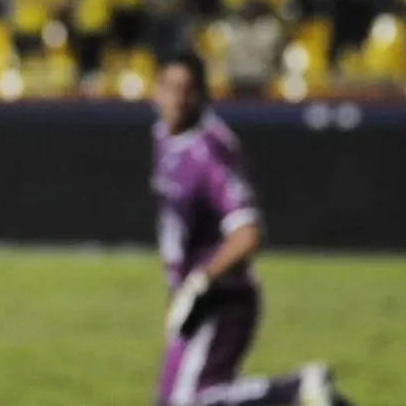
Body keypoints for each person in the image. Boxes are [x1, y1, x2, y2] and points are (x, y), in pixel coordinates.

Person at [149, 51, 354, 406]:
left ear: (203, 94)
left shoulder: (209, 151)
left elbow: (246, 234)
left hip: (220, 299)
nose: (177, 98)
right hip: (191, 301)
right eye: (170, 87)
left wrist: (199, 284)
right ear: (155, 89)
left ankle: (295, 389)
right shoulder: (163, 136)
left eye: (187, 89)